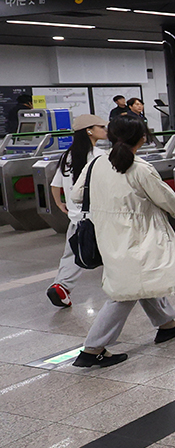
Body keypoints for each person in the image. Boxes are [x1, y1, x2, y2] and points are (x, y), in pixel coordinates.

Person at [70, 115, 175, 368]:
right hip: (139, 235)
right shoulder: (140, 168)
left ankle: (167, 325)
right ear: (142, 138)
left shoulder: (96, 163)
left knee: (139, 280)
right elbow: (166, 199)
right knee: (125, 291)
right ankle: (92, 348)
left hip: (109, 233)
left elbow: (77, 195)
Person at [46, 114, 108, 308]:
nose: (105, 130)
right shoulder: (99, 156)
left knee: (72, 253)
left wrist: (59, 204)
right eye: (101, 127)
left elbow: (55, 184)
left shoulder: (68, 155)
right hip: (100, 217)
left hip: (77, 219)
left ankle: (61, 286)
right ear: (89, 130)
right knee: (114, 254)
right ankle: (125, 288)